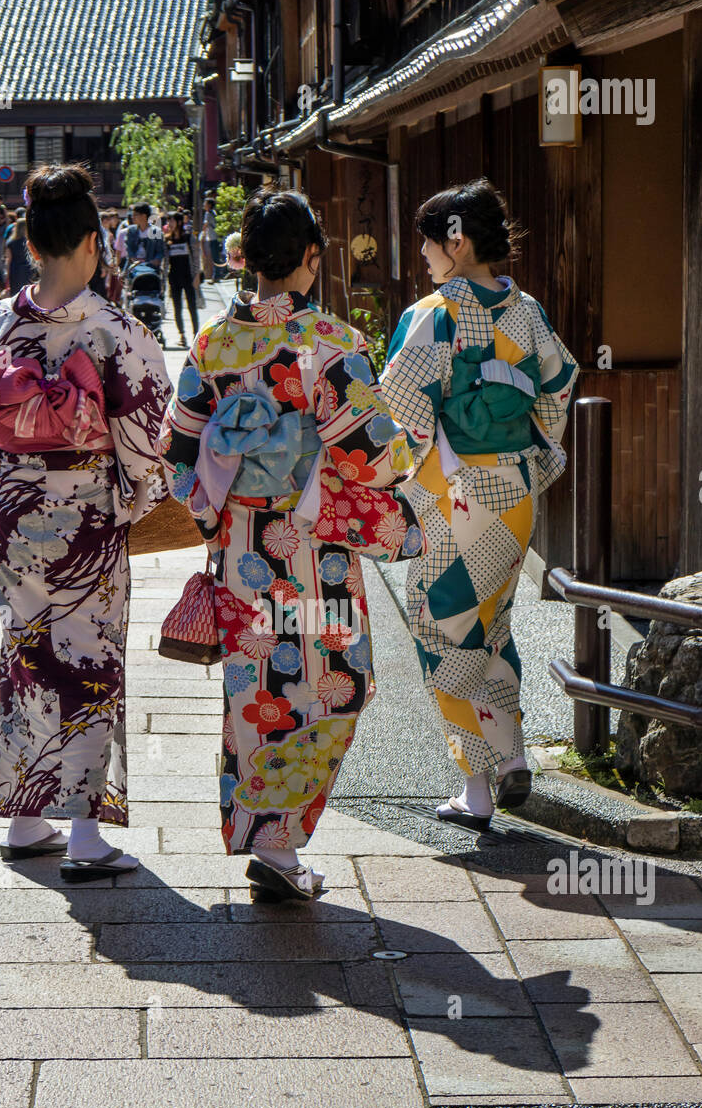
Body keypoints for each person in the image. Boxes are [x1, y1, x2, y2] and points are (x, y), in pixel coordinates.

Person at [160, 186, 427, 901]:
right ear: (311, 258)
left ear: (247, 259)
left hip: (245, 550)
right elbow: (374, 457)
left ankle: (268, 838)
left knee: (256, 693)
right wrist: (407, 451)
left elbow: (181, 455)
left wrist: (218, 509)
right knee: (338, 686)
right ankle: (277, 845)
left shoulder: (215, 345)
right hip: (315, 549)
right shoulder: (331, 343)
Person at [0, 163, 173, 878]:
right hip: (83, 516)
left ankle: (24, 819)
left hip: (14, 513)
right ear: (90, 242)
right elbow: (146, 432)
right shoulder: (113, 330)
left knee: (26, 654)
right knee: (89, 659)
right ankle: (85, 834)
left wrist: (7, 478)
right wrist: (139, 497)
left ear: (26, 242)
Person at [380, 177, 579, 832]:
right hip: (515, 496)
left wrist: (425, 460)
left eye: (431, 245)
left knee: (439, 631)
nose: (426, 259)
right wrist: (530, 459)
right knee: (491, 627)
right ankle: (513, 755)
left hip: (457, 495)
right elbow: (556, 389)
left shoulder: (434, 313)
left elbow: (400, 404)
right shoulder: (528, 313)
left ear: (457, 241)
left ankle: (476, 787)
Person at [166, 210, 199, 346]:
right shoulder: (167, 240)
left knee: (192, 306)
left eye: (172, 221)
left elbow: (196, 257)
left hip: (188, 276)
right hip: (174, 277)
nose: (169, 224)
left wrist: (197, 275)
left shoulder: (188, 238)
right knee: (177, 307)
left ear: (179, 222)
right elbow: (166, 262)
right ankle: (182, 335)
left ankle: (196, 335)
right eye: (168, 221)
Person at [124, 204, 165, 273]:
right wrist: (134, 259)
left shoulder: (155, 231)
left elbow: (160, 251)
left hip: (151, 268)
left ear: (144, 216)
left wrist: (156, 260)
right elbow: (129, 248)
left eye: (135, 215)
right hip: (134, 268)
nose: (132, 217)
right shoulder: (131, 230)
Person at [5, 216, 32, 293]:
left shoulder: (10, 242)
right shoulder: (30, 242)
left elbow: (8, 260)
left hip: (15, 270)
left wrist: (7, 274)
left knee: (16, 294)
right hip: (28, 269)